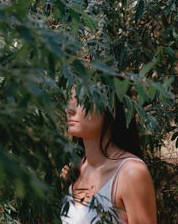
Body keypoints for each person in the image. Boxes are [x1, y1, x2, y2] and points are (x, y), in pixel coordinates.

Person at [60, 91, 157, 224]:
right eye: (70, 99)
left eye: (82, 100)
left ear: (109, 107)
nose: (69, 109)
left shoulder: (131, 173)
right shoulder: (76, 169)